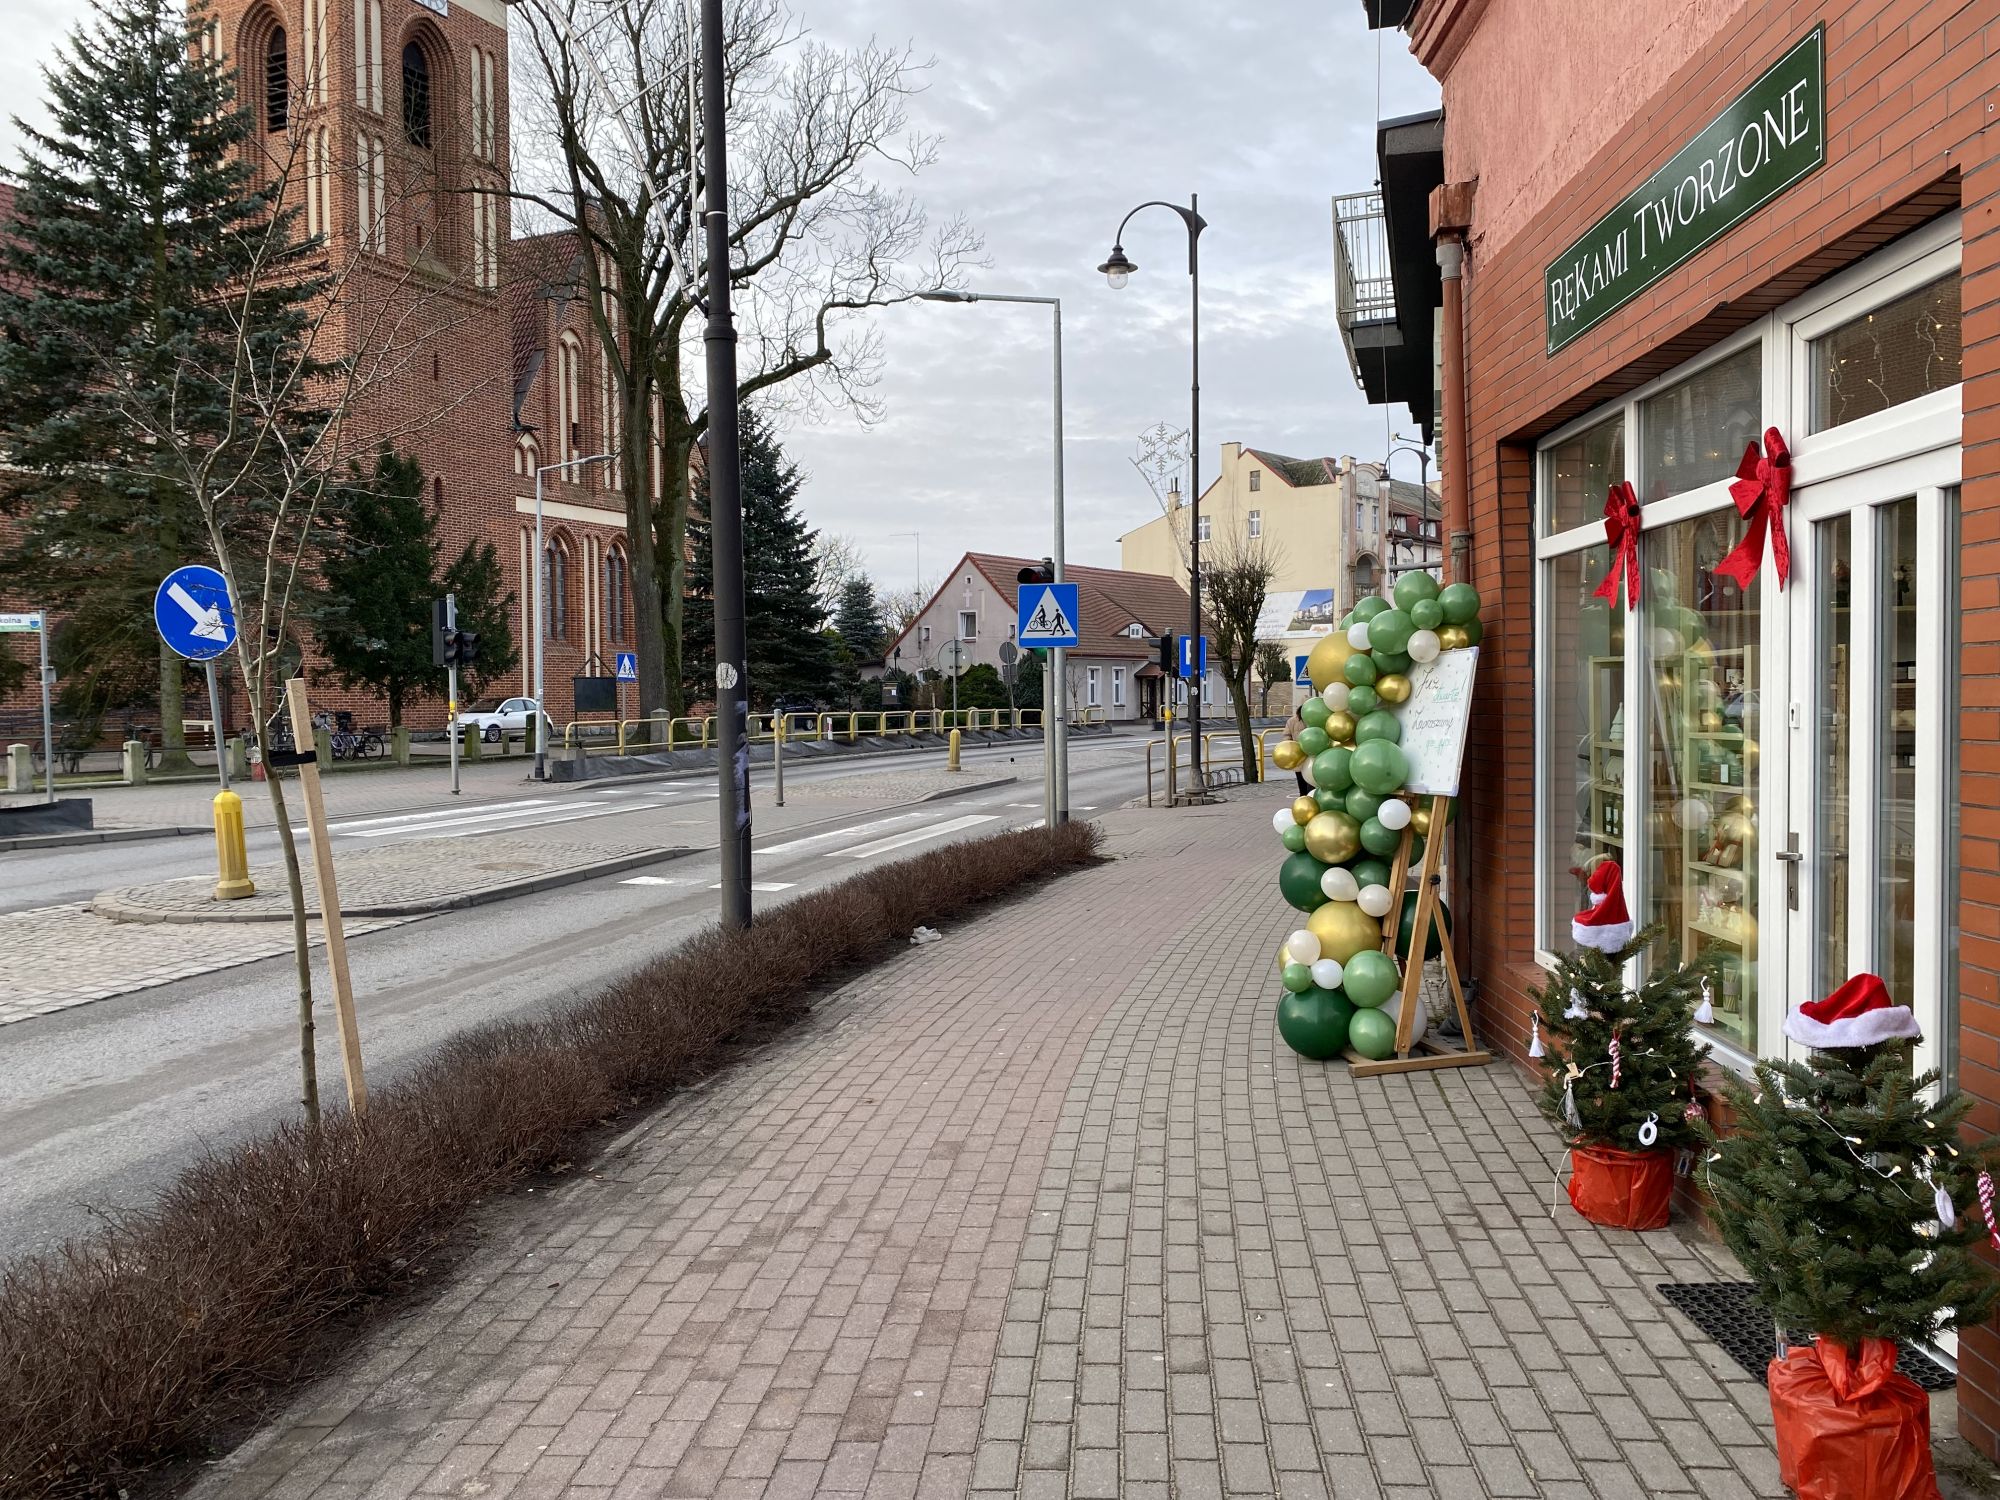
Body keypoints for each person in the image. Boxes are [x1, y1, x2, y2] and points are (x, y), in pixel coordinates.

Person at [1285, 708, 1310, 795]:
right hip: (1300, 755)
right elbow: (1287, 737)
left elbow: (1286, 737)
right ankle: (1304, 799)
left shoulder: (1292, 721)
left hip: (1303, 756)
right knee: (1303, 783)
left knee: (1307, 783)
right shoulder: (1292, 721)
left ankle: (1305, 798)